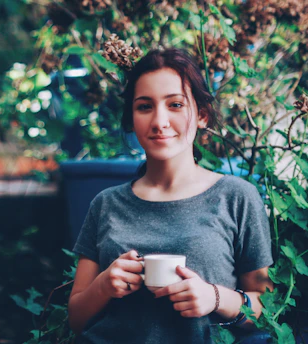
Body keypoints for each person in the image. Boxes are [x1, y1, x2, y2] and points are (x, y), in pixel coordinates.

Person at [68, 48, 273, 343]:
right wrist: (102, 287)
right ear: (132, 119)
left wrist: (215, 297)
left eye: (175, 104)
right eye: (144, 106)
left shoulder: (237, 196)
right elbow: (76, 320)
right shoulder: (106, 204)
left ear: (202, 115)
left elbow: (268, 309)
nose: (159, 121)